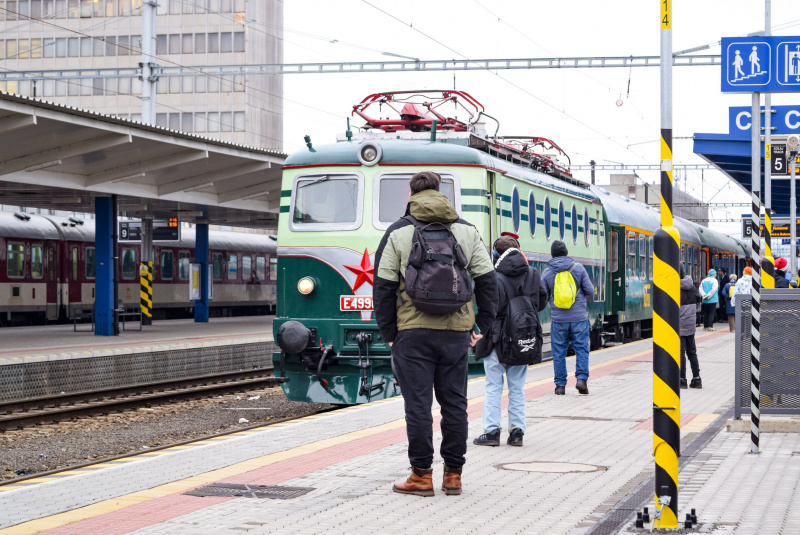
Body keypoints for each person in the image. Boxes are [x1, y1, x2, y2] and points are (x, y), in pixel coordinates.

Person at [374, 170, 497, 498]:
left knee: (418, 405)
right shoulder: (467, 231)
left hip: (411, 333)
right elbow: (488, 282)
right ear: (441, 193)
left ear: (410, 196)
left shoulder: (398, 232)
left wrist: (389, 333)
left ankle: (421, 476)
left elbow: (383, 287)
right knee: (454, 404)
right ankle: (453, 476)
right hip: (456, 332)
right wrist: (481, 326)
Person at [473, 235, 548, 448]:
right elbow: (542, 300)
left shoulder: (494, 276)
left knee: (493, 386)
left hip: (496, 339)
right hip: (523, 338)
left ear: (496, 254)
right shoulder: (533, 274)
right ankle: (517, 433)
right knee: (517, 387)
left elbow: (487, 307)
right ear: (518, 249)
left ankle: (491, 432)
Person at [542, 240, 595, 395]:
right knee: (581, 349)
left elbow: (543, 296)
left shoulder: (547, 272)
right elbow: (590, 290)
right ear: (566, 253)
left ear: (552, 254)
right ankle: (581, 380)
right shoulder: (578, 268)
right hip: (579, 318)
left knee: (558, 352)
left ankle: (560, 386)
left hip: (558, 320)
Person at [679, 264, 702, 389]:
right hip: (690, 324)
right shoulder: (692, 287)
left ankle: (682, 379)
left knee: (680, 352)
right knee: (692, 352)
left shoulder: (674, 287)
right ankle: (697, 379)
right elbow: (699, 303)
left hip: (679, 324)